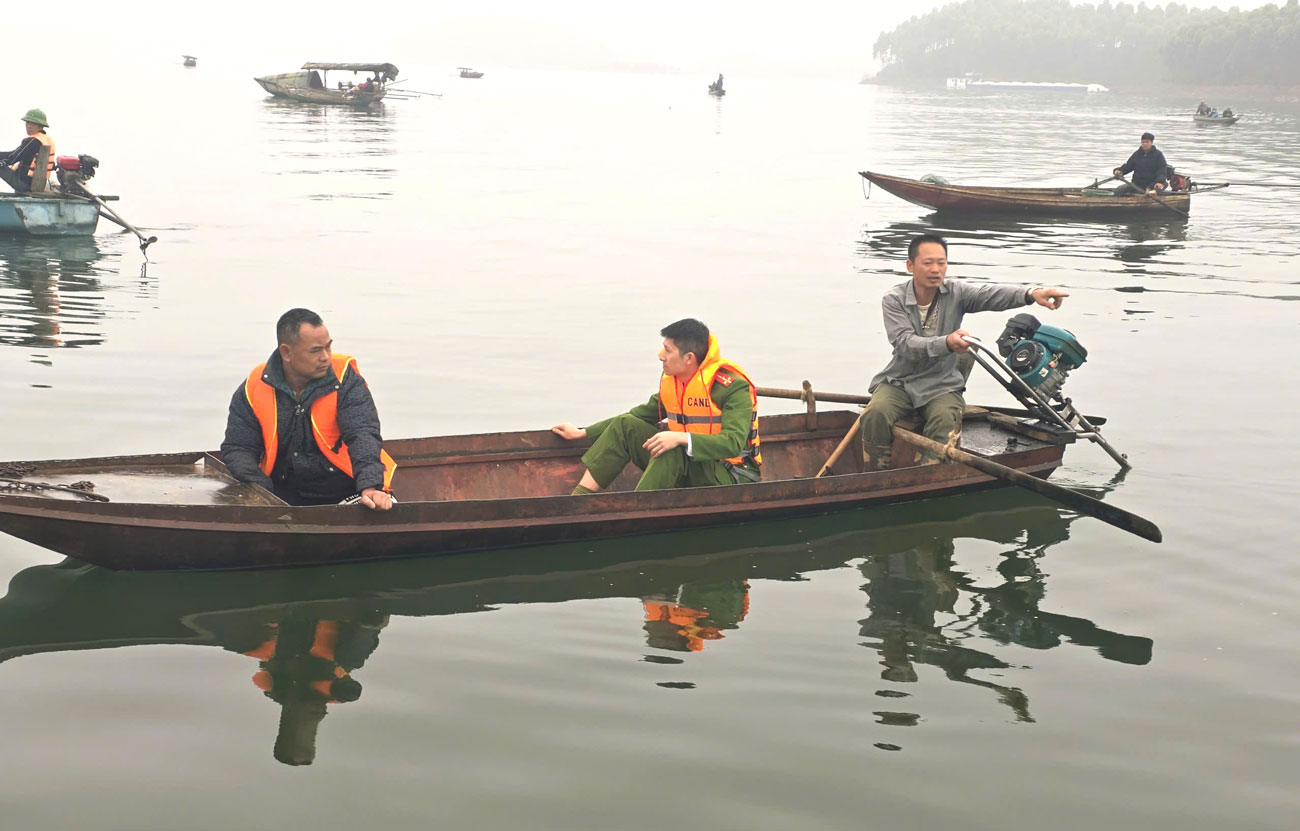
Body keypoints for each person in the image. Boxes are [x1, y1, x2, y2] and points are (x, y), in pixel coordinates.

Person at [859, 234, 1070, 470]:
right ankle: (877, 472)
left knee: (944, 421)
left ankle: (928, 476)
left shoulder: (956, 292)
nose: (936, 269)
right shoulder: (893, 299)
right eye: (928, 263)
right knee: (874, 414)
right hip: (899, 381)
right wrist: (946, 343)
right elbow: (904, 344)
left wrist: (1031, 294)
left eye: (941, 263)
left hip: (942, 384)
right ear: (910, 266)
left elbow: (990, 294)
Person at [551, 318, 761, 494]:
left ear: (689, 358)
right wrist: (583, 433)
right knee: (627, 424)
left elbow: (732, 443)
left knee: (671, 447)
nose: (660, 355)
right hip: (689, 467)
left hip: (731, 476)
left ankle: (637, 511)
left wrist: (680, 438)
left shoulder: (732, 388)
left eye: (667, 350)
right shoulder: (678, 384)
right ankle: (578, 500)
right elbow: (637, 416)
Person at [221, 307, 396, 509]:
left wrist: (370, 485)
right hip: (282, 493)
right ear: (287, 353)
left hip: (347, 489)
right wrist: (263, 494)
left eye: (328, 347)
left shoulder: (345, 378)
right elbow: (239, 448)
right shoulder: (254, 386)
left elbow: (363, 433)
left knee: (381, 510)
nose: (326, 357)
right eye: (315, 350)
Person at [0, 109, 55, 194]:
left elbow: (14, 157)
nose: (29, 126)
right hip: (32, 182)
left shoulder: (34, 141)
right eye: (27, 123)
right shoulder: (44, 139)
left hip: (24, 183)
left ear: (41, 126)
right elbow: (14, 153)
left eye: (33, 124)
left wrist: (4, 162)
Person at [1112, 132, 1169, 196]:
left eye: (1147, 142)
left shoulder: (1158, 155)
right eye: (1143, 142)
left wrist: (1159, 182)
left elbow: (1162, 170)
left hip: (1152, 184)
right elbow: (1128, 166)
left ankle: (1152, 192)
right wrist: (1118, 171)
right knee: (1119, 190)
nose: (1145, 144)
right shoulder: (1137, 154)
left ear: (1151, 142)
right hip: (1137, 184)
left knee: (1164, 184)